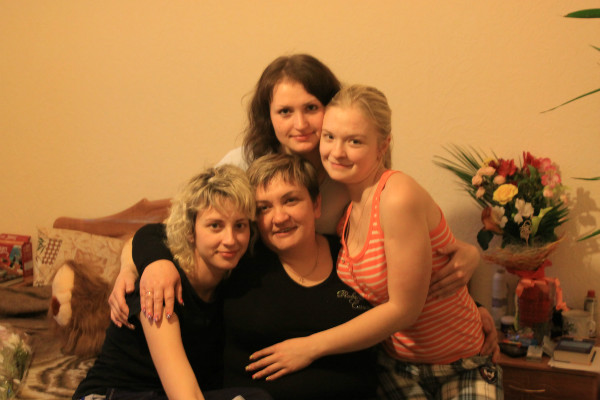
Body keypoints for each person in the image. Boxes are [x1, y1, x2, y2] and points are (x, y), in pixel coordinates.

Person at [109, 54, 486, 328]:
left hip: (330, 305)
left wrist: (471, 266)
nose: (301, 124)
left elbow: (405, 251)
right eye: (285, 112)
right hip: (253, 300)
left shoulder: (351, 172)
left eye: (311, 107)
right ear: (268, 117)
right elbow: (176, 228)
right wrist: (136, 263)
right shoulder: (242, 165)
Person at [244, 85, 503, 399]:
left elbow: (405, 309)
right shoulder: (345, 216)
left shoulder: (396, 195)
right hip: (396, 369)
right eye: (329, 137)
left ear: (383, 145)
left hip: (461, 364)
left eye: (354, 141)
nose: (337, 152)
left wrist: (309, 348)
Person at [130, 154, 378, 400]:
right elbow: (155, 234)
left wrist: (311, 347)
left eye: (290, 200)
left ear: (316, 204)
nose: (280, 217)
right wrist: (150, 264)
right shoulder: (239, 259)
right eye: (264, 208)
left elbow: (392, 313)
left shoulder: (352, 256)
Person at [72, 165, 272, 400]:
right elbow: (185, 396)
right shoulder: (158, 285)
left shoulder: (233, 281)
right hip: (110, 395)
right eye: (215, 225)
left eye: (239, 225)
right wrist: (129, 268)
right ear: (190, 231)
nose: (230, 240)